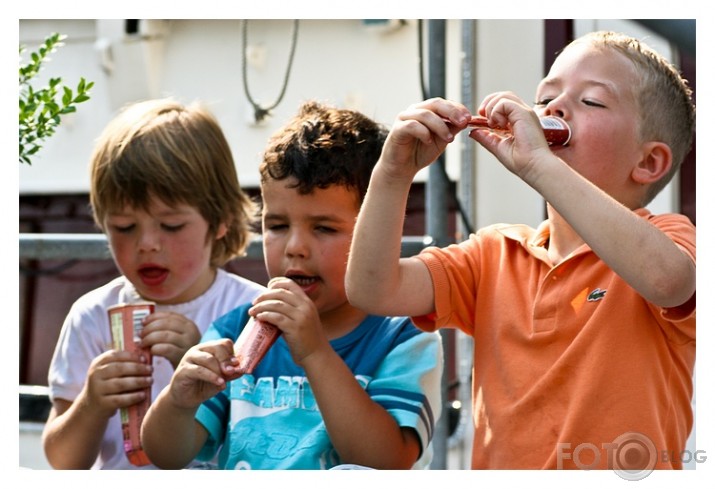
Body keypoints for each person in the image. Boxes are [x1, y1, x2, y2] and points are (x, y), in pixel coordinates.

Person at [345, 30, 696, 471]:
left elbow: (670, 281)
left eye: (591, 102)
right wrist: (392, 173)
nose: (552, 108)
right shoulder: (493, 253)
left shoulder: (668, 239)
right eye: (545, 96)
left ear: (648, 163)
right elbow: (371, 289)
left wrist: (539, 165)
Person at [141, 100, 443, 470]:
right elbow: (167, 455)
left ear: (377, 233)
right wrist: (178, 400)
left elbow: (387, 461)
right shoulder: (237, 330)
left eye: (324, 228)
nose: (295, 247)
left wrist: (315, 352)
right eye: (278, 226)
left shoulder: (405, 337)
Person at [42, 98, 266, 469]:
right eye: (124, 227)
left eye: (172, 225)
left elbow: (265, 443)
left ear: (221, 220)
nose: (146, 243)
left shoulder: (253, 315)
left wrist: (201, 367)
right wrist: (91, 404)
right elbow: (64, 463)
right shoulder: (92, 315)